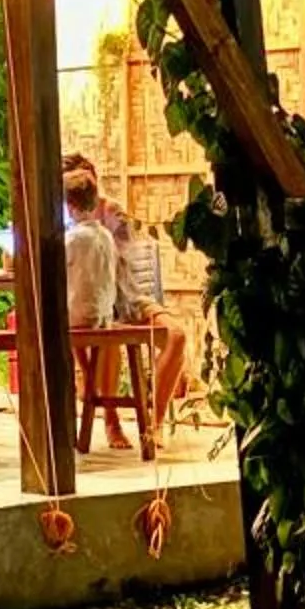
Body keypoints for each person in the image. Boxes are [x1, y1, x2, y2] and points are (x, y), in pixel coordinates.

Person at [62, 151, 192, 433]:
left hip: (129, 297)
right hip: (93, 306)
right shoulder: (64, 221)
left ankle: (152, 425)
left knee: (176, 336)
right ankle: (111, 419)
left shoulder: (111, 213)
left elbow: (121, 265)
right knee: (105, 334)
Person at [62, 165, 129, 451]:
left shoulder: (72, 239)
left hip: (79, 318)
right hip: (103, 317)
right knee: (80, 314)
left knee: (53, 324)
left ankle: (79, 393)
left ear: (69, 206)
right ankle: (94, 390)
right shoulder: (105, 236)